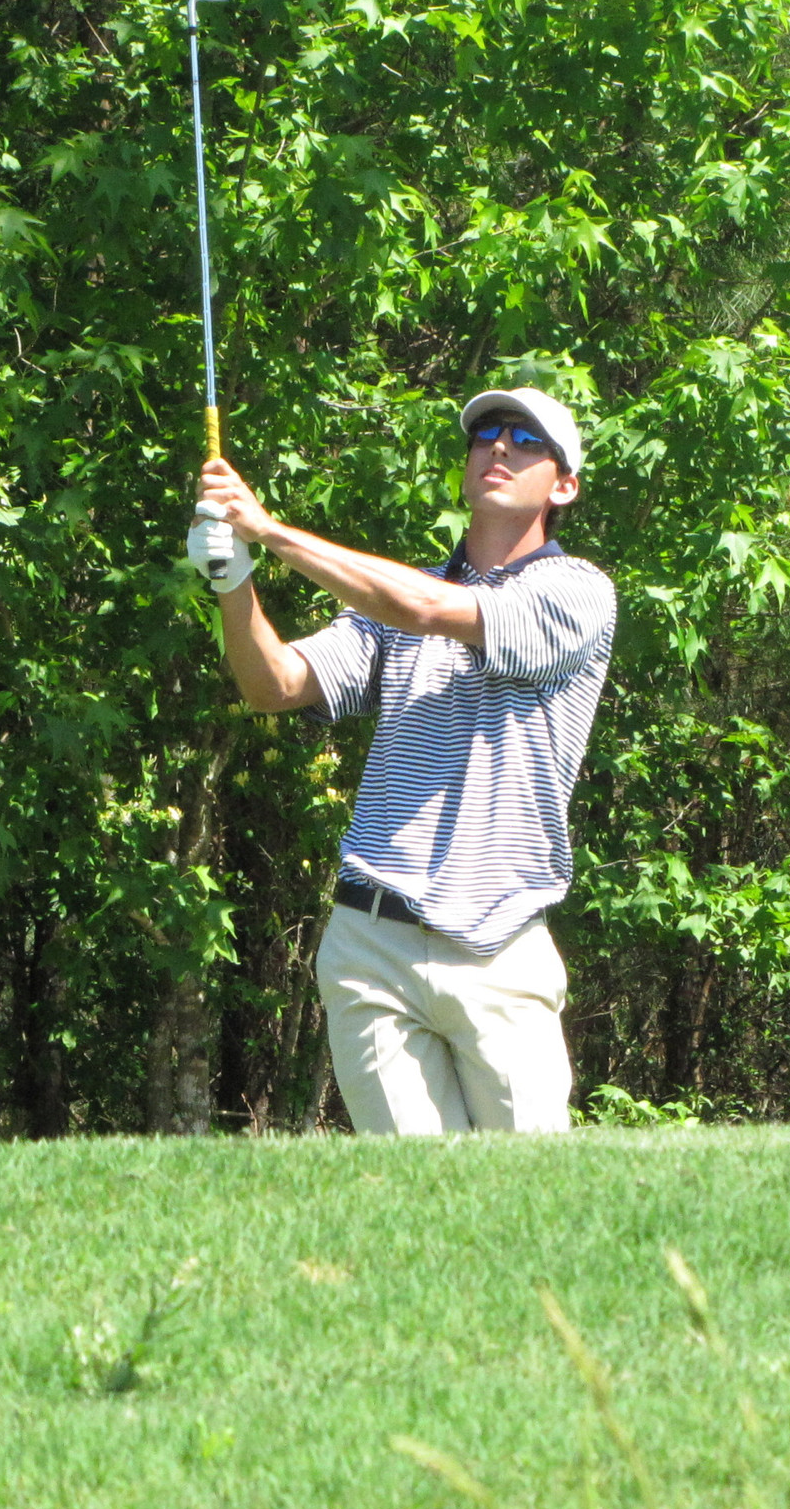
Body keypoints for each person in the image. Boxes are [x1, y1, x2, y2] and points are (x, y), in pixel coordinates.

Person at [187, 388, 616, 1134]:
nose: (500, 447)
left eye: (526, 439)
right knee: (422, 1204)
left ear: (565, 483)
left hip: (500, 946)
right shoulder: (394, 606)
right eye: (485, 434)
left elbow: (425, 608)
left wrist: (271, 530)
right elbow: (274, 684)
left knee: (531, 1205)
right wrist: (234, 577)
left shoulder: (576, 594)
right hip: (371, 945)